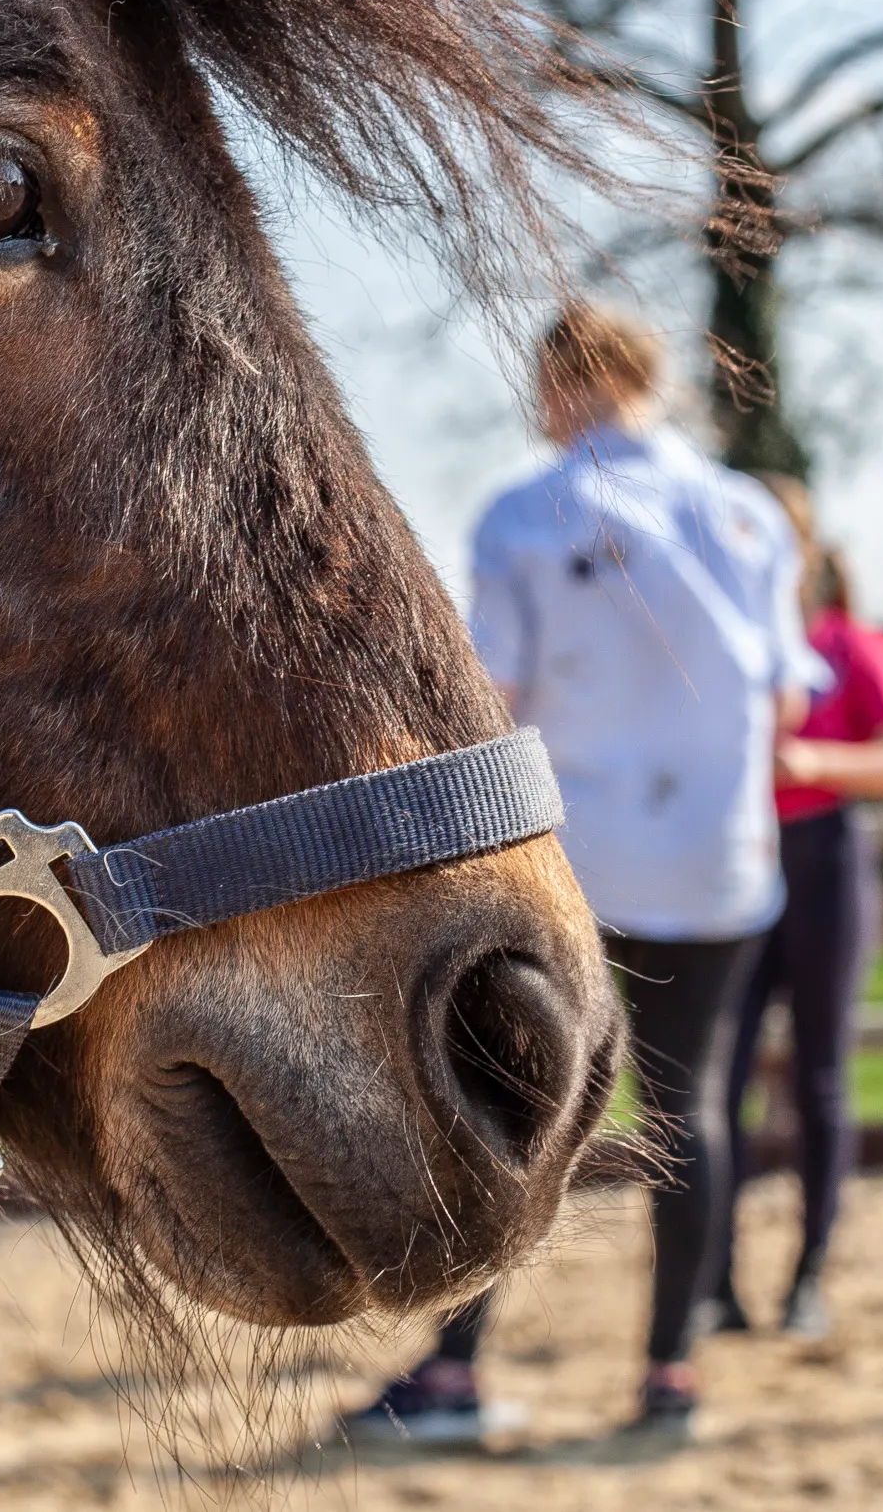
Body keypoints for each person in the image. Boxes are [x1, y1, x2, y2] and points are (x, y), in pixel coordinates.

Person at [344, 300, 818, 1449]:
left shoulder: (526, 508)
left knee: (509, 1100)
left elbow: (487, 694)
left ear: (559, 383)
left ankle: (453, 1370)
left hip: (572, 850)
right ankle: (670, 1373)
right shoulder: (748, 509)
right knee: (691, 1101)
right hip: (718, 849)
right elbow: (792, 697)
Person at [704, 477, 883, 1341]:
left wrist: (812, 762)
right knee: (710, 1080)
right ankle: (712, 1278)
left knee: (820, 1072)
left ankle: (807, 1275)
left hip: (823, 860)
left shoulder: (853, 645)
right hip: (735, 860)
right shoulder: (710, 648)